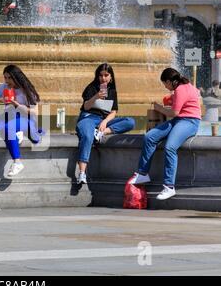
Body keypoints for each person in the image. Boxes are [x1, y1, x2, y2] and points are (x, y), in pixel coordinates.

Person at [130, 68, 201, 200]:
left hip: (190, 121)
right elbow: (187, 101)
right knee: (149, 137)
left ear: (169, 81)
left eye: (165, 84)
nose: (166, 87)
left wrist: (159, 108)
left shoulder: (181, 88)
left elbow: (174, 113)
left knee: (170, 147)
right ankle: (142, 173)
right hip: (178, 120)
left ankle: (169, 186)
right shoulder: (183, 86)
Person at [76, 63, 135, 184]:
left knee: (130, 122)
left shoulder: (112, 91)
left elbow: (113, 112)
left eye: (106, 75)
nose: (103, 78)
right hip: (88, 118)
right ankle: (82, 173)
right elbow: (86, 107)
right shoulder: (91, 87)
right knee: (87, 136)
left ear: (111, 77)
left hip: (104, 121)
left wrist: (105, 122)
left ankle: (100, 133)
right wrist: (96, 97)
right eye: (101, 75)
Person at [0, 64, 43, 178]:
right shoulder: (4, 87)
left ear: (16, 77)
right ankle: (18, 139)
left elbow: (34, 112)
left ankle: (17, 162)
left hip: (26, 119)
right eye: (5, 78)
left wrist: (17, 104)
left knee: (15, 131)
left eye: (9, 78)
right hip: (10, 117)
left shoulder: (26, 89)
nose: (7, 81)